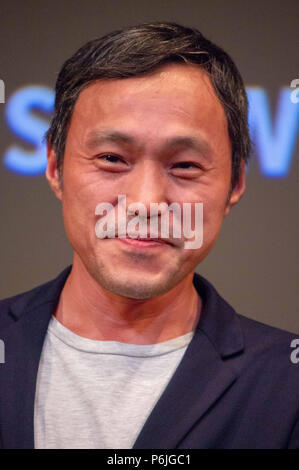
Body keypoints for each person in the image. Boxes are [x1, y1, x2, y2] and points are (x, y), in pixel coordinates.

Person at [0, 22, 298, 450]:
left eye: (185, 166)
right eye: (111, 158)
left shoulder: (286, 385)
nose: (145, 203)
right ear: (54, 167)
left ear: (234, 185)